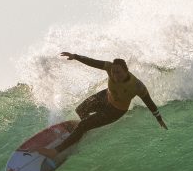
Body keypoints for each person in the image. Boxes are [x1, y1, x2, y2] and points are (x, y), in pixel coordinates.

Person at [37, 52, 167, 160]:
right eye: (114, 72)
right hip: (106, 96)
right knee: (81, 109)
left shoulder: (137, 86)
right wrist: (75, 56)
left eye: (119, 72)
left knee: (83, 125)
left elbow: (149, 103)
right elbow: (93, 62)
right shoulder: (109, 67)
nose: (115, 75)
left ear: (126, 71)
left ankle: (55, 152)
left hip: (116, 111)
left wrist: (159, 119)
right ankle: (81, 132)